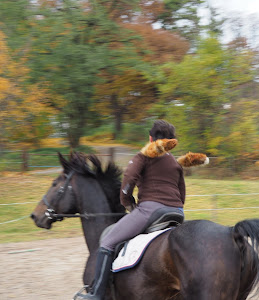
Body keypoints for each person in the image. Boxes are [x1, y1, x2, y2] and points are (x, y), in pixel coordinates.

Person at [74, 120, 185, 300]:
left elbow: (128, 179)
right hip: (177, 213)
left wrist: (128, 202)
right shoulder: (175, 162)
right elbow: (182, 192)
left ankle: (97, 294)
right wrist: (176, 206)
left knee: (107, 242)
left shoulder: (143, 156)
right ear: (171, 141)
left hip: (150, 210)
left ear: (150, 138)